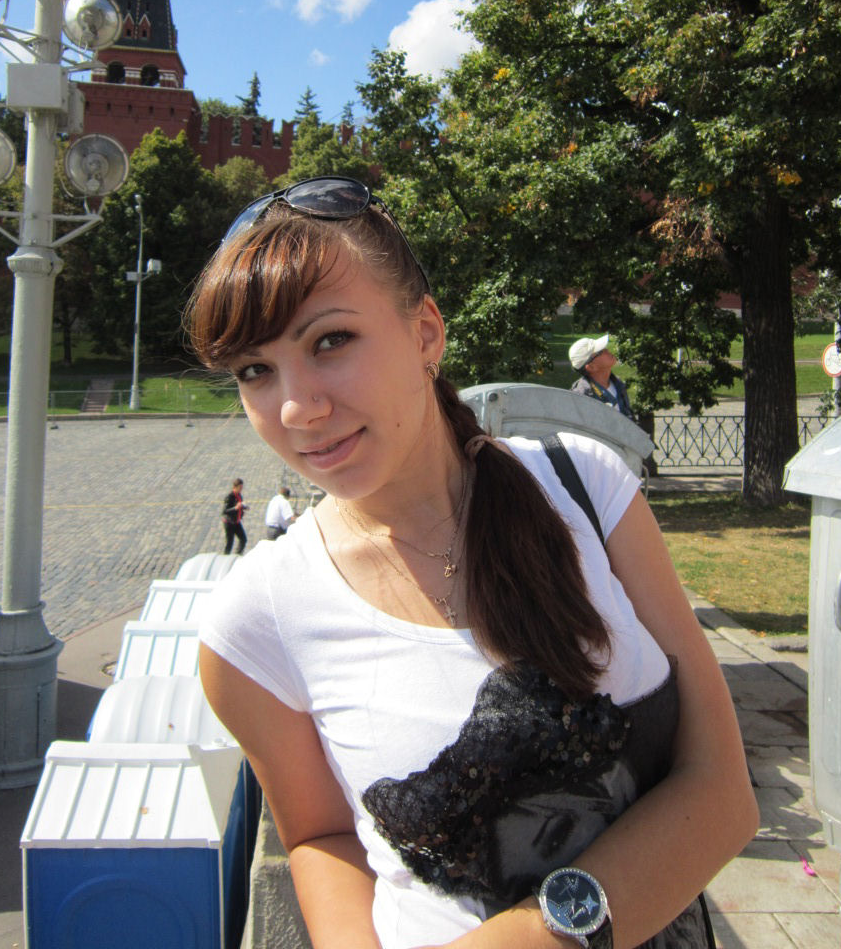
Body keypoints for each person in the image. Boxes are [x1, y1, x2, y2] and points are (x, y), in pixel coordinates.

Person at [186, 176, 756, 949]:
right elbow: (321, 837)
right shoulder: (254, 622)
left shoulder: (585, 486)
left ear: (426, 333)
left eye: (330, 341)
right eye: (255, 370)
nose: (296, 408)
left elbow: (723, 791)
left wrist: (554, 929)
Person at [570, 335, 636, 421]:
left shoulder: (618, 383)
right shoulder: (582, 396)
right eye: (601, 351)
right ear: (591, 367)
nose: (607, 350)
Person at [222, 478, 247, 554]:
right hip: (229, 523)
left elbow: (239, 506)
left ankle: (238, 555)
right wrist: (235, 508)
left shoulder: (239, 495)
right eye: (240, 488)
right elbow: (224, 511)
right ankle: (225, 557)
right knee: (230, 543)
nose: (241, 489)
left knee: (243, 539)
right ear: (235, 487)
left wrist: (243, 507)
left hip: (236, 521)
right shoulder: (229, 497)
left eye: (242, 487)